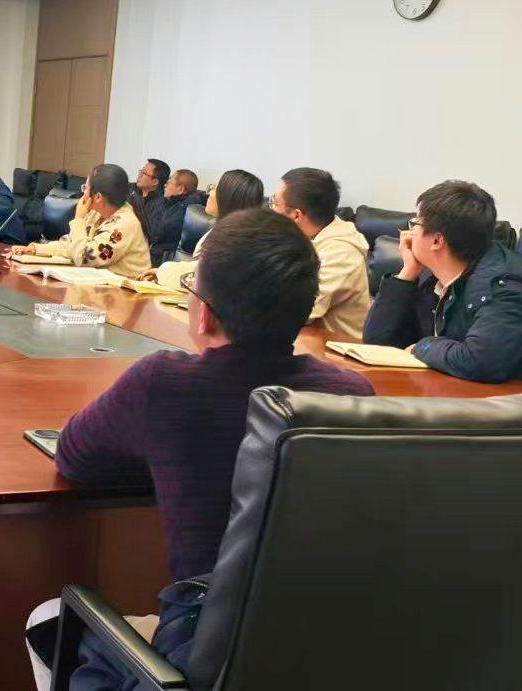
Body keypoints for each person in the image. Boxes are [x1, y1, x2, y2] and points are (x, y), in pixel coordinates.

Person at [25, 209, 373, 690]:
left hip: (203, 648)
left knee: (47, 620)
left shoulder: (164, 383)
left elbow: (74, 456)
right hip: (318, 648)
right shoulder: (351, 394)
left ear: (203, 313)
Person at [362, 180, 522, 385]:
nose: (409, 233)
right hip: (452, 392)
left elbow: (480, 362)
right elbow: (377, 342)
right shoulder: (430, 274)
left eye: (415, 224)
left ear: (437, 240)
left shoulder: (504, 286)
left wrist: (422, 346)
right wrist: (407, 274)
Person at [271, 167, 371, 339]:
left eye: (275, 203)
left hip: (338, 350)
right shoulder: (301, 235)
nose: (272, 209)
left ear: (296, 215)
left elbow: (298, 312)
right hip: (302, 339)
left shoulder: (341, 254)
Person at [7, 163, 151, 278]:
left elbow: (83, 257)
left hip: (127, 295)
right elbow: (71, 246)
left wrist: (78, 219)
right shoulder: (96, 214)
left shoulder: (124, 224)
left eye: (85, 188)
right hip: (101, 286)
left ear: (98, 197)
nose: (83, 193)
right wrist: (35, 249)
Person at [145, 169, 263, 288]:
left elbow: (200, 276)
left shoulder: (231, 241)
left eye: (214, 188)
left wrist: (163, 272)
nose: (209, 193)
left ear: (227, 198)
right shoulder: (230, 232)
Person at [150, 168, 199, 264]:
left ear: (180, 189)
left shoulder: (186, 210)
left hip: (163, 259)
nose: (165, 185)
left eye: (169, 183)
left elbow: (156, 232)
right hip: (156, 254)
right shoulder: (170, 201)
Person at [128, 158, 170, 244]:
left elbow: (151, 235)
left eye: (144, 173)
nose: (139, 175)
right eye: (141, 171)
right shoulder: (131, 189)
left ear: (155, 182)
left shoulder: (161, 204)